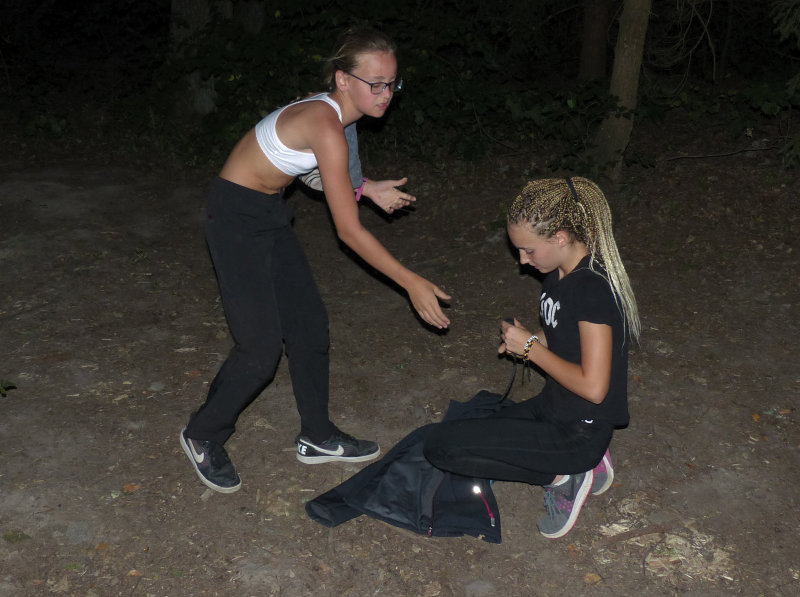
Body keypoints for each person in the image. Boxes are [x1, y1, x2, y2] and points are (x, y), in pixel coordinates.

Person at [180, 25, 451, 494]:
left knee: (309, 326)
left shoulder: (340, 118)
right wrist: (410, 281)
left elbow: (311, 174)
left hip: (268, 212)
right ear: (343, 79)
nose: (386, 94)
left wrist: (366, 189)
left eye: (392, 83)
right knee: (260, 350)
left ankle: (317, 436)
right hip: (235, 217)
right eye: (376, 84)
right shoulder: (326, 124)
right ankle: (202, 434)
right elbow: (348, 231)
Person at [423, 176, 640, 538]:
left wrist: (531, 350)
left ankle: (563, 478)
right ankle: (585, 465)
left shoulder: (593, 290)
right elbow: (563, 333)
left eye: (528, 251)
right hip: (553, 407)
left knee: (442, 449)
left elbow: (594, 387)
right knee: (459, 433)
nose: (523, 261)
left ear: (560, 238)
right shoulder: (558, 273)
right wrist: (530, 339)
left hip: (579, 432)